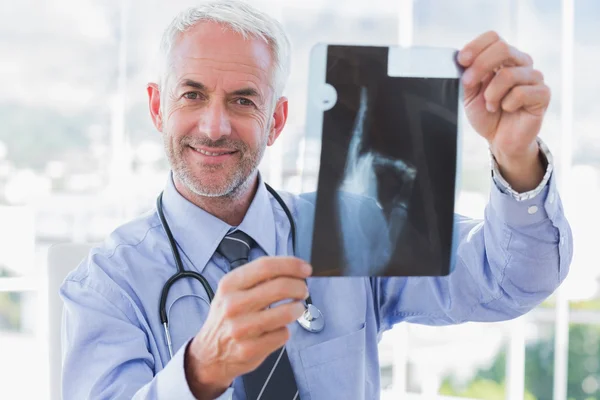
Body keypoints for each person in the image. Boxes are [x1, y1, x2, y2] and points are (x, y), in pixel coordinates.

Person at [60, 1, 573, 399]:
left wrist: (516, 156)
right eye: (192, 95)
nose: (214, 126)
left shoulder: (353, 229)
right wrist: (200, 370)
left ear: (277, 121)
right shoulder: (106, 286)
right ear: (157, 107)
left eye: (243, 100)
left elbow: (509, 282)